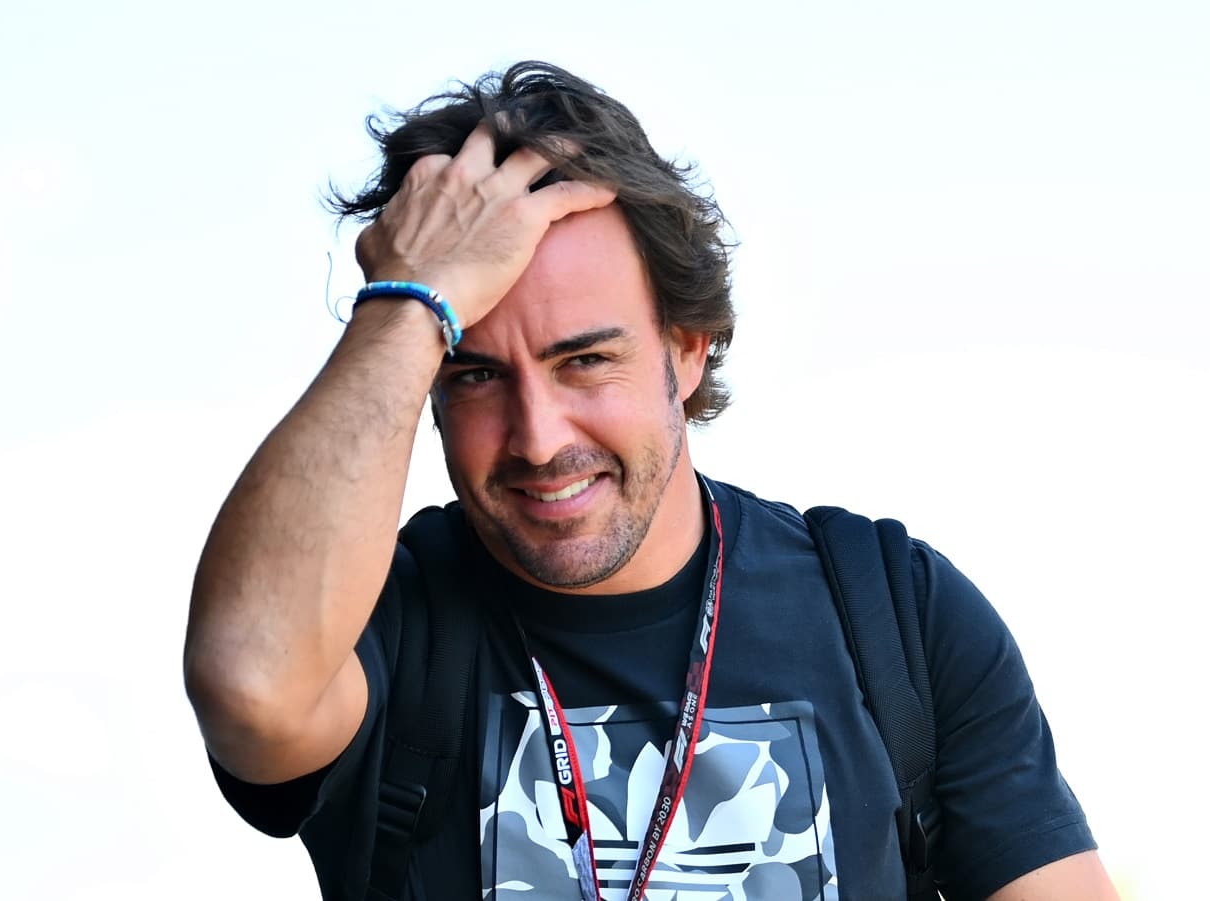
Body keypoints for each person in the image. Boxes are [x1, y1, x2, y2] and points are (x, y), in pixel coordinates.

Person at [184, 61, 1120, 901]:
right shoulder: (380, 622)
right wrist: (408, 302)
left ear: (686, 347)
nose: (540, 439)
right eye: (472, 372)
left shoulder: (891, 610)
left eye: (585, 360)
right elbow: (252, 681)